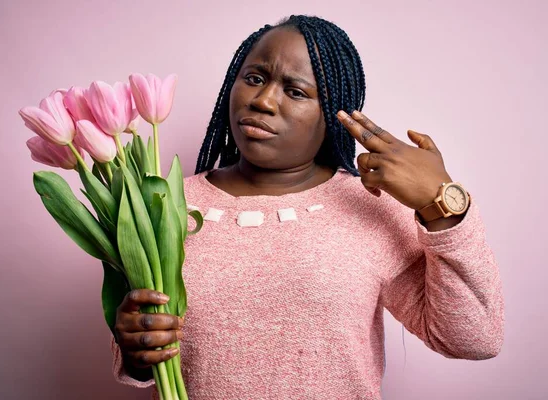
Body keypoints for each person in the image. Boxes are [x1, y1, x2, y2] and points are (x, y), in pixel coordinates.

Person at [109, 15, 505, 399]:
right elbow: (146, 351)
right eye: (255, 78)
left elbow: (474, 339)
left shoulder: (370, 206)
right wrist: (135, 349)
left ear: (334, 114)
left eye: (295, 91)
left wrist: (442, 206)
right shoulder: (161, 205)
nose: (263, 100)